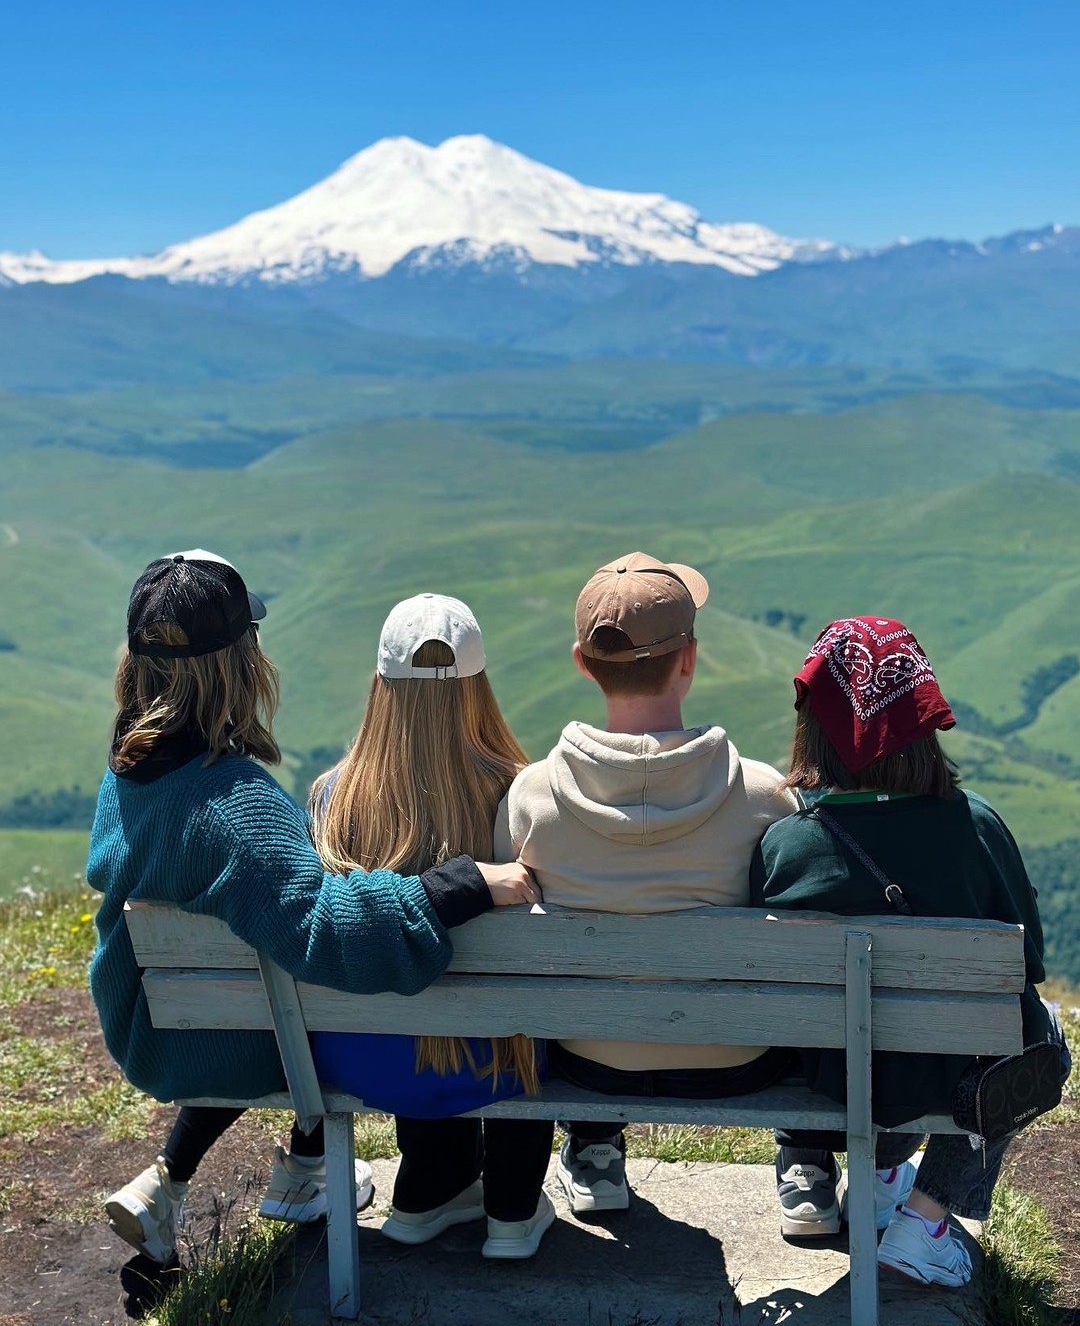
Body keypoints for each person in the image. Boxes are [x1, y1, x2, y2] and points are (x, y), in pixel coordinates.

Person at [88, 552, 535, 1266]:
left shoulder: (128, 774)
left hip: (157, 1021)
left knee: (277, 979)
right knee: (307, 990)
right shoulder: (237, 807)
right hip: (234, 1040)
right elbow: (325, 931)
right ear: (241, 661)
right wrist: (459, 886)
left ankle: (296, 1169)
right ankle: (303, 1171)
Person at [750, 616, 1071, 1288]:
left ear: (813, 727)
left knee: (874, 1034)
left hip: (824, 1079)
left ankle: (878, 1180)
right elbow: (1029, 968)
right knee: (1041, 1039)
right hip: (945, 1077)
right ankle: (923, 1220)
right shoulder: (976, 826)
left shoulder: (788, 845)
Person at [495, 551, 799, 1213]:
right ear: (689, 660)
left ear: (582, 662)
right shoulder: (765, 797)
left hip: (588, 1057)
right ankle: (806, 1166)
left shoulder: (531, 799)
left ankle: (595, 1147)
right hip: (738, 1057)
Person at [308, 593, 556, 1261]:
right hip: (495, 1069)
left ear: (380, 686)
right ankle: (511, 1204)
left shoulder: (332, 797)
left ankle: (427, 1188)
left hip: (362, 1060)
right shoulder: (521, 792)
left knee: (421, 1012)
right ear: (479, 690)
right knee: (521, 1009)